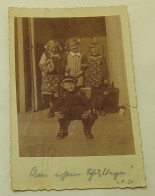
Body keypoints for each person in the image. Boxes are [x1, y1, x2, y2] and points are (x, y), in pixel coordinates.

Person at [54, 76, 97, 140]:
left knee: (84, 111)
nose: (70, 87)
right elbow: (56, 104)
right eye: (67, 85)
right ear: (64, 86)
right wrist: (55, 112)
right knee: (61, 111)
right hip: (68, 112)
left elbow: (87, 102)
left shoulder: (79, 92)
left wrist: (89, 111)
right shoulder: (63, 94)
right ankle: (62, 129)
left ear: (75, 84)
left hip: (78, 111)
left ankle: (86, 129)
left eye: (72, 84)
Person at [39, 40, 65, 117]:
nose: (54, 50)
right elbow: (41, 64)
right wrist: (47, 69)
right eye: (52, 48)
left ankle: (58, 109)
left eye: (56, 48)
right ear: (48, 47)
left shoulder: (59, 54)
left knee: (58, 94)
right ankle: (52, 110)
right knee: (51, 95)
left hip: (59, 77)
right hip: (49, 77)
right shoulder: (45, 54)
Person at [85, 42, 109, 116]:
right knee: (93, 94)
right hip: (91, 79)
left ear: (98, 50)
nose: (94, 50)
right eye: (93, 49)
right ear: (90, 50)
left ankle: (101, 108)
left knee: (101, 94)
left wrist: (105, 78)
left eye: (96, 49)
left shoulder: (102, 58)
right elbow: (86, 68)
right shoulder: (88, 58)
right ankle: (94, 109)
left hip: (100, 79)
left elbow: (105, 68)